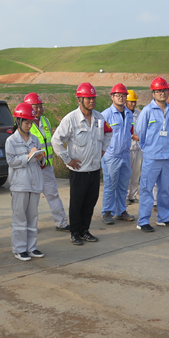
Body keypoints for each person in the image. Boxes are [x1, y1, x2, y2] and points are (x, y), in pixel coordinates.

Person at [51, 83, 112, 245]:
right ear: (79, 100)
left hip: (94, 168)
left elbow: (108, 133)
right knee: (77, 203)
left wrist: (103, 150)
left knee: (90, 202)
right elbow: (56, 140)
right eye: (88, 98)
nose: (92, 101)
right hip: (78, 170)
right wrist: (67, 159)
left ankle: (85, 230)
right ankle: (75, 233)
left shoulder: (99, 118)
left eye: (93, 98)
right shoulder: (71, 119)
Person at [136, 77, 169, 232]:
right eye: (159, 91)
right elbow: (140, 131)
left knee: (164, 190)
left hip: (167, 156)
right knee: (147, 189)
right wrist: (147, 149)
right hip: (152, 157)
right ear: (153, 93)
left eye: (164, 90)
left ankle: (164, 218)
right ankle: (143, 221)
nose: (162, 93)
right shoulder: (147, 111)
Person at [23, 92, 70, 232]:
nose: (38, 109)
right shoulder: (24, 124)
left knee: (53, 195)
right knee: (32, 199)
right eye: (35, 107)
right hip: (32, 168)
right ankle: (30, 226)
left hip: (47, 167)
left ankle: (61, 223)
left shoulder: (46, 121)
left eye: (40, 106)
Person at [6, 103, 46, 261]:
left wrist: (41, 158)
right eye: (27, 122)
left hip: (34, 183)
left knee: (32, 217)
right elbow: (11, 161)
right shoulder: (11, 140)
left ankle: (31, 247)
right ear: (18, 121)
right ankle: (20, 248)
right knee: (20, 218)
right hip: (20, 185)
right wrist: (28, 157)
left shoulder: (35, 139)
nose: (29, 126)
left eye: (31, 123)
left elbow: (41, 162)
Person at [101, 83, 135, 224]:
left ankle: (121, 211)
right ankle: (107, 212)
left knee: (123, 185)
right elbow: (100, 135)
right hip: (111, 156)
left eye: (123, 95)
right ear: (112, 97)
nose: (121, 98)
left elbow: (130, 132)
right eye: (118, 95)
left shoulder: (129, 114)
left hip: (125, 155)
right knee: (110, 185)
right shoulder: (105, 115)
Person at [126, 90, 142, 204]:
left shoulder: (139, 114)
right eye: (131, 101)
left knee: (136, 173)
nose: (133, 104)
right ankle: (125, 196)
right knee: (126, 174)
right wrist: (132, 136)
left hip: (138, 148)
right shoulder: (123, 113)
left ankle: (133, 195)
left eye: (134, 102)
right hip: (127, 148)